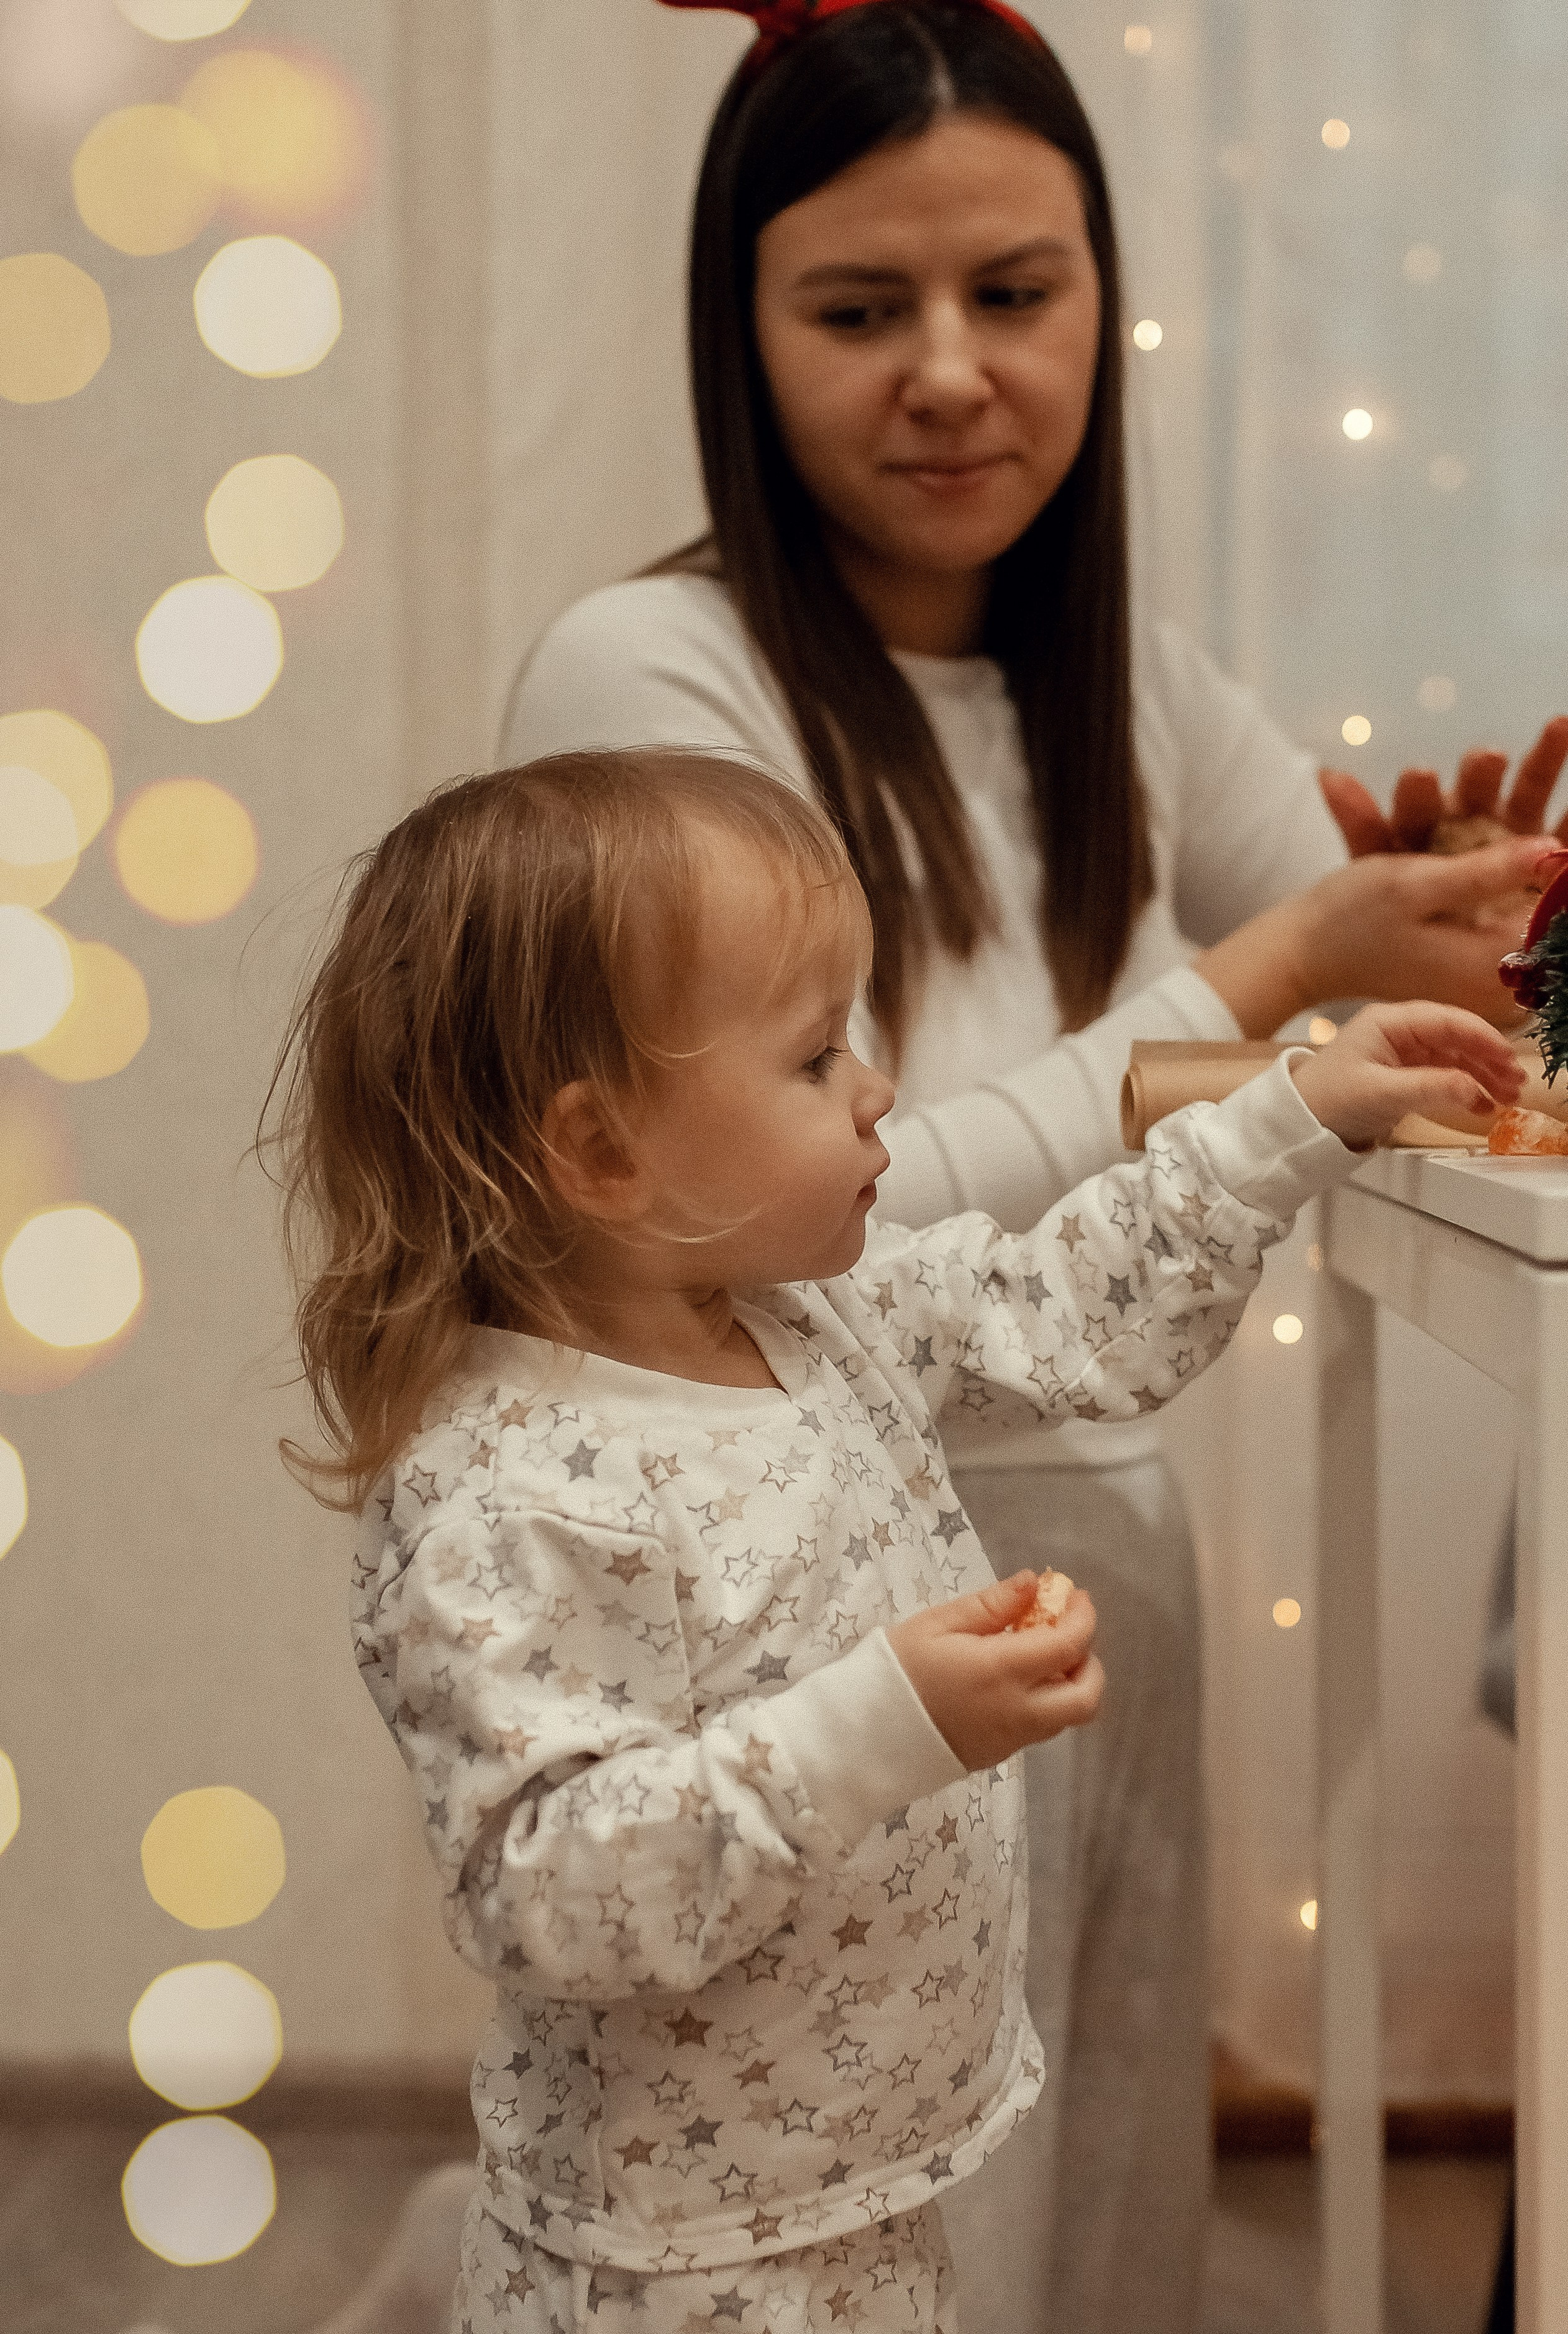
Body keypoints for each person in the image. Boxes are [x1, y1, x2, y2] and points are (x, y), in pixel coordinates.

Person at [480, 6, 1566, 2329]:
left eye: (1017, 292)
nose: (953, 373)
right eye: (860, 310)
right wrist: (1268, 964)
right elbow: (840, 1226)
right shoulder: (645, 681)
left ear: (1103, 297)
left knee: (1082, 2248)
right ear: (736, 326)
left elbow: (1343, 958)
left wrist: (1449, 908)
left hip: (1098, 1583)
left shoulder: (1134, 687)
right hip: (803, 1639)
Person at [275, 747, 1526, 2334]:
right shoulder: (501, 1495)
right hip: (671, 2263)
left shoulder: (812, 1321)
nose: (875, 1088)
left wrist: (1286, 1116)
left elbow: (1062, 1306)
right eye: (812, 1060)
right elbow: (551, 1887)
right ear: (597, 1151)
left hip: (866, 2190)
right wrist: (881, 1725)